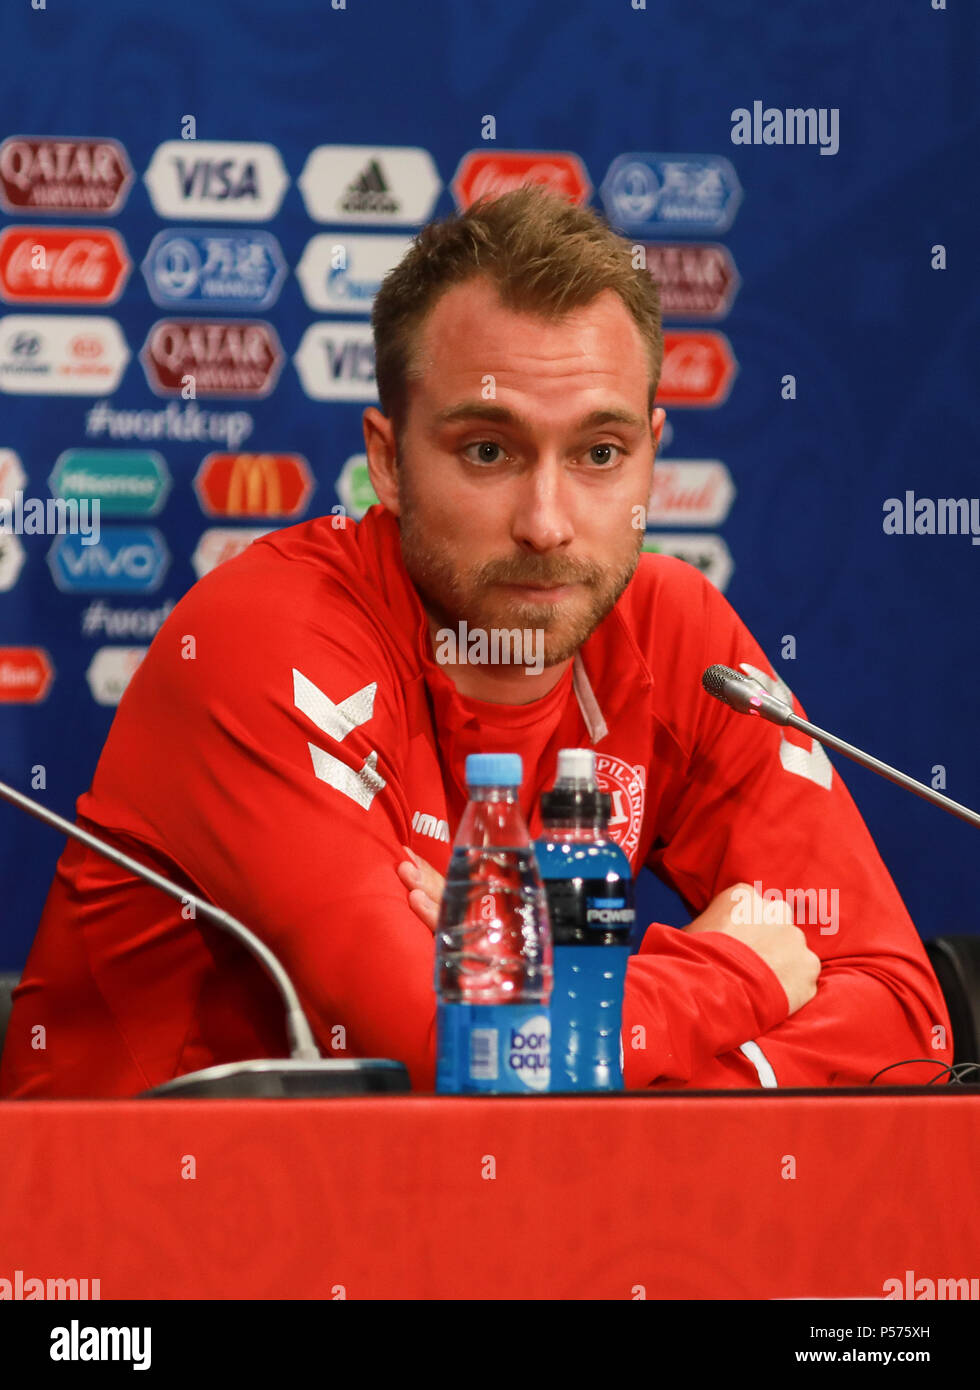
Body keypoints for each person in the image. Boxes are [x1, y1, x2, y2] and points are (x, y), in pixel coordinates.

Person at [0, 187, 951, 1097]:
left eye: (600, 454)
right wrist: (735, 968)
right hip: (157, 1236)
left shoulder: (678, 636)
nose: (547, 523)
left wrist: (539, 987)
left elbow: (907, 1019)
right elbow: (445, 1052)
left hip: (476, 1228)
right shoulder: (264, 639)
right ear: (388, 461)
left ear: (652, 457)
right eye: (489, 451)